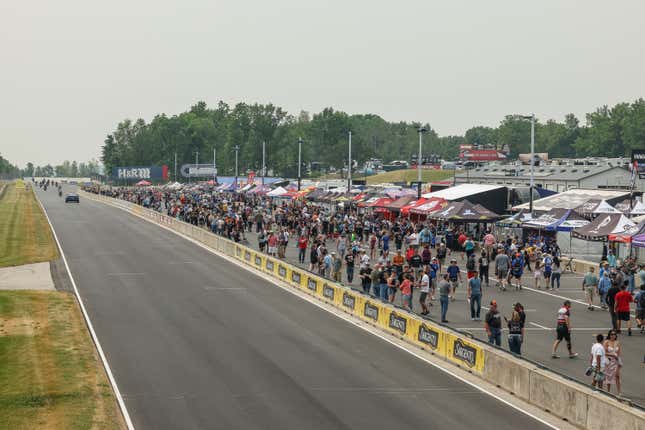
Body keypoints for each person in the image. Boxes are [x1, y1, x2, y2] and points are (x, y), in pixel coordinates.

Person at [603, 330, 621, 395]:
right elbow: (604, 352)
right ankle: (608, 391)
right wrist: (612, 355)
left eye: (614, 334)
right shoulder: (606, 342)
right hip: (609, 361)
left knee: (617, 376)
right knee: (609, 376)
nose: (613, 336)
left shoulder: (617, 342)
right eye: (611, 334)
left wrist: (619, 361)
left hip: (616, 361)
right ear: (609, 335)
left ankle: (619, 392)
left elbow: (619, 353)